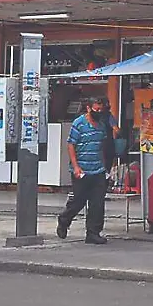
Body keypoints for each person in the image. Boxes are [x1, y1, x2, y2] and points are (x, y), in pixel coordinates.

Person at [57, 99, 109, 244]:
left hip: (98, 169)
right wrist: (75, 166)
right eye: (96, 109)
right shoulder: (79, 123)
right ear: (88, 108)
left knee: (97, 203)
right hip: (82, 169)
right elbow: (71, 145)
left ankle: (93, 233)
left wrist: (105, 168)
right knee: (79, 200)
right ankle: (64, 219)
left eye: (101, 109)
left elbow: (102, 146)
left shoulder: (101, 125)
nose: (98, 112)